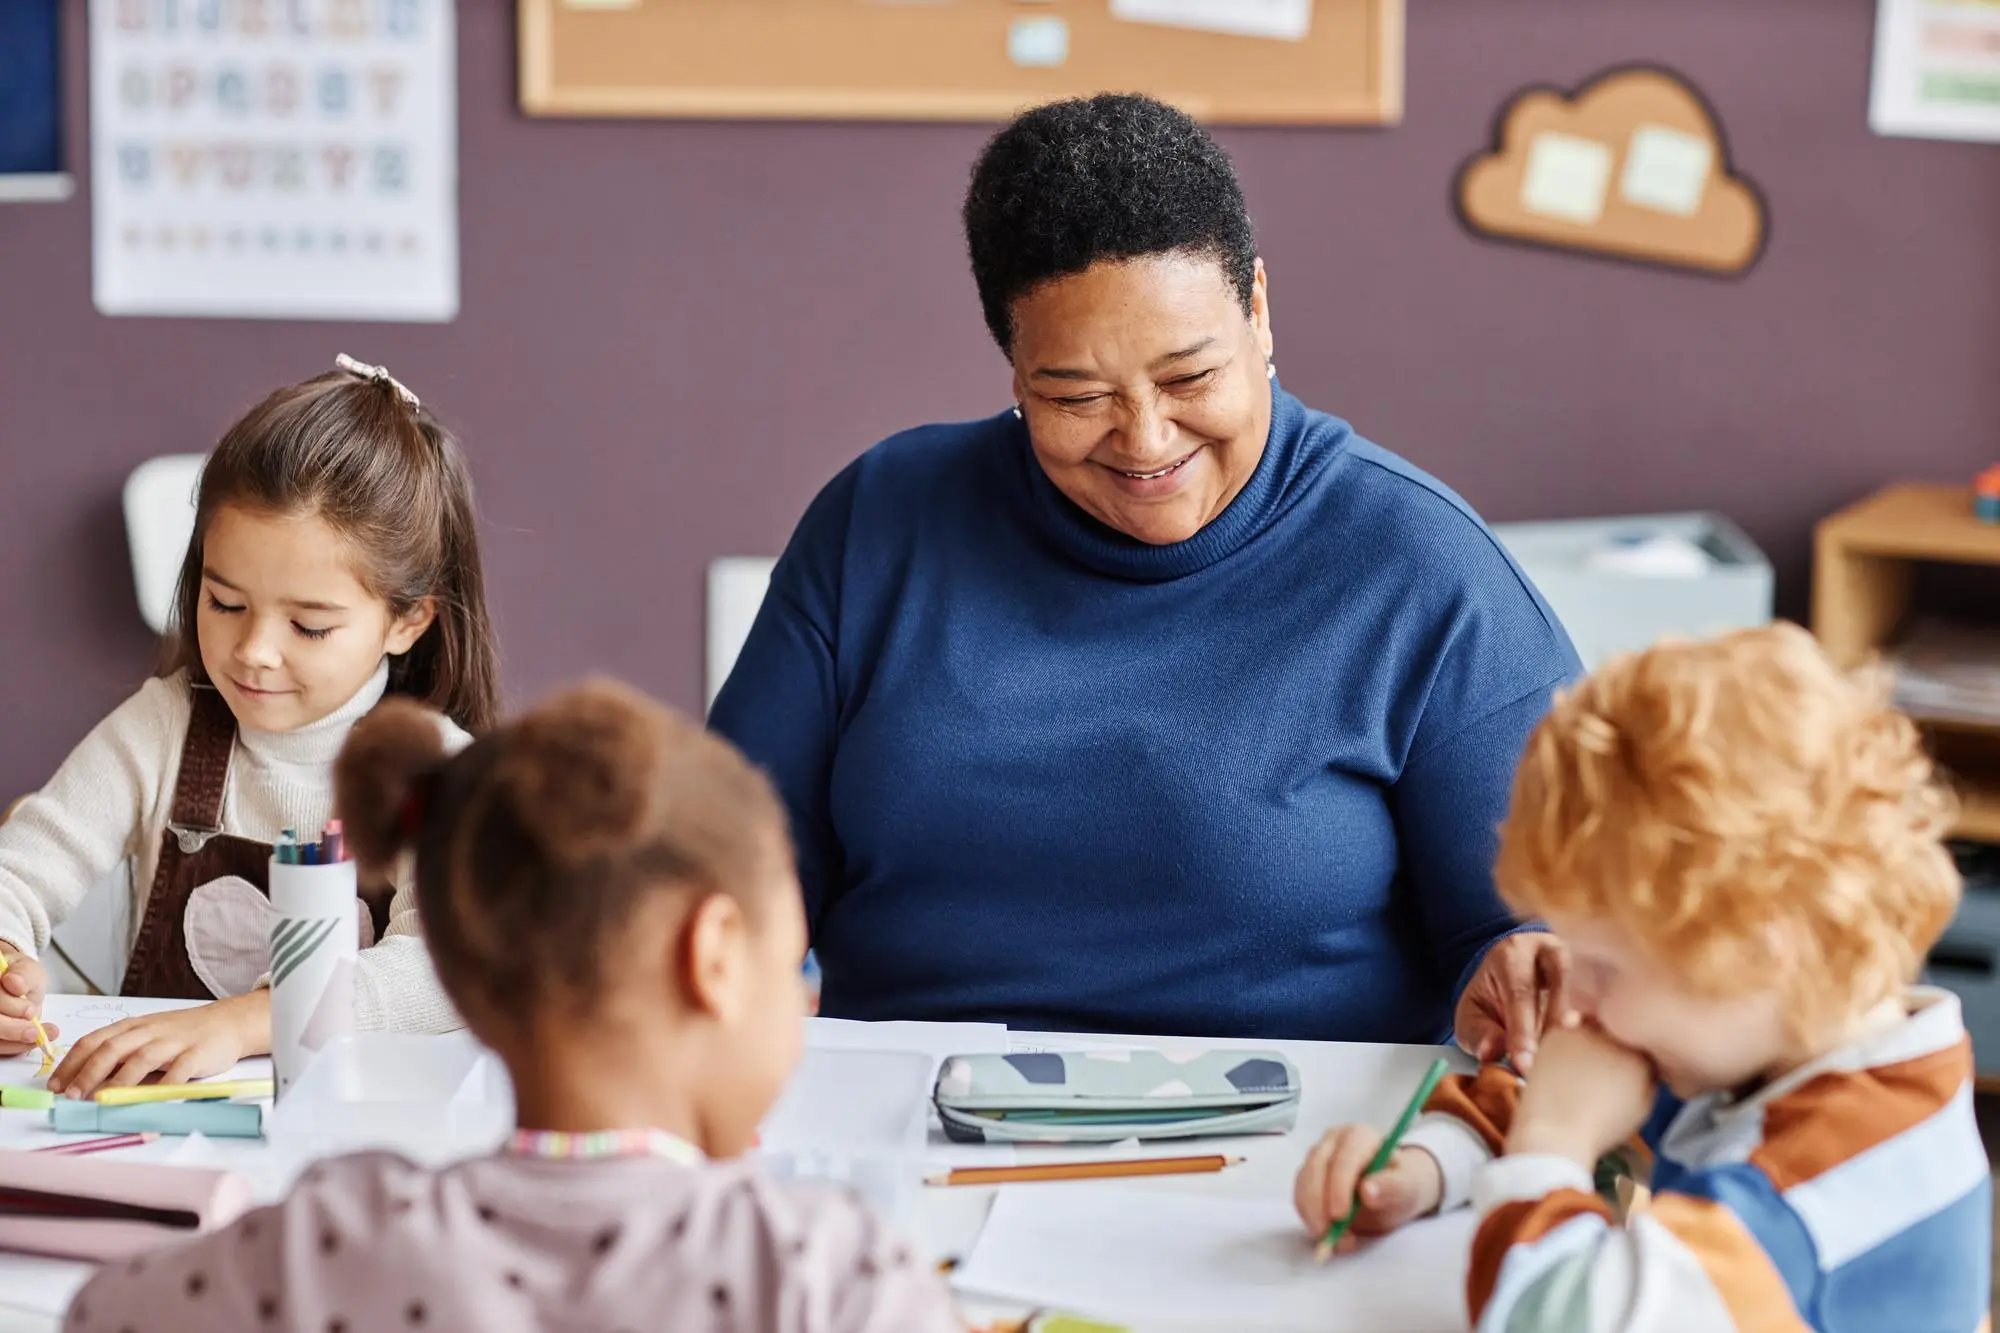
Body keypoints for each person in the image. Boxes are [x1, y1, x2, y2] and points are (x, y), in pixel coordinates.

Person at [712, 93, 1580, 1057]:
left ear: (1257, 307)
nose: (1146, 440)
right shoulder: (880, 523)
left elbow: (1535, 942)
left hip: (1288, 1151)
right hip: (909, 1130)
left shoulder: (1426, 571)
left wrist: (1520, 958)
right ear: (1013, 368)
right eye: (1076, 395)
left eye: (1189, 377)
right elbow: (730, 864)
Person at [62, 681, 964, 1333]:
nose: (800, 1003)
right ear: (715, 955)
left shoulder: (334, 1237)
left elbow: (98, 1314)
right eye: (791, 968)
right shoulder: (823, 1273)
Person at [1293, 625, 1991, 1332]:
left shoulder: (1810, 1196)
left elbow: (1552, 1318)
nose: (1576, 990)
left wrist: (1552, 1143)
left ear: (1753, 951)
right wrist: (1426, 1169)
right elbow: (1567, 1093)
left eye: (1603, 963)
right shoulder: (1767, 1036)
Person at [0, 356, 497, 1095]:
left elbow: (443, 963)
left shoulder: (438, 772)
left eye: (309, 624)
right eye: (225, 603)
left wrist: (245, 1021)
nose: (254, 651)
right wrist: (6, 952)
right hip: (154, 1126)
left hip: (357, 1133)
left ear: (408, 619)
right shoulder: (162, 728)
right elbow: (21, 866)